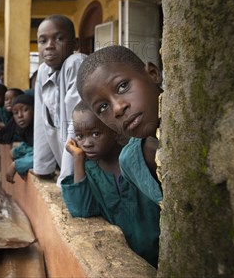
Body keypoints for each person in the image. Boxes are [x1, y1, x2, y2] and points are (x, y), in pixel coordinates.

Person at [61, 101, 160, 267]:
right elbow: (81, 210)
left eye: (95, 133)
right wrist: (78, 159)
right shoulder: (90, 171)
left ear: (114, 131)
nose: (86, 143)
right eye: (80, 136)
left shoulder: (138, 158)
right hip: (127, 264)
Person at [76, 45, 163, 205]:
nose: (117, 109)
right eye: (103, 107)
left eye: (122, 86)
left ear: (153, 74)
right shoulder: (130, 162)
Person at [33, 15, 86, 185]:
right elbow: (41, 123)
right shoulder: (42, 71)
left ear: (75, 44)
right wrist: (42, 167)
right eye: (43, 41)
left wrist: (66, 178)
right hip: (65, 161)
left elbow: (77, 123)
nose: (49, 46)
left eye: (59, 38)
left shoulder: (75, 63)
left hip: (87, 161)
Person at [5, 94, 35, 184]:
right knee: (14, 152)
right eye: (15, 112)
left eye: (25, 110)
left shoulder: (41, 129)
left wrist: (16, 165)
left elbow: (46, 156)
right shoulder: (25, 130)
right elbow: (29, 144)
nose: (20, 116)